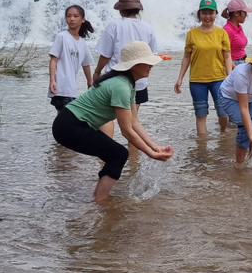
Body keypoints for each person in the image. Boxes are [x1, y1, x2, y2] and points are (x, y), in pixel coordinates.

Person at [52, 41, 173, 203]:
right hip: (69, 125)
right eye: (147, 62)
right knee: (119, 154)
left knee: (114, 154)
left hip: (70, 123)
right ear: (133, 65)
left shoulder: (128, 84)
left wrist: (155, 146)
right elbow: (127, 131)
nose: (151, 66)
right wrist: (150, 154)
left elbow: (134, 122)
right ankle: (100, 200)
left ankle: (100, 198)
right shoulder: (120, 86)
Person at [93, 0, 159, 137]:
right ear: (138, 9)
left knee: (106, 117)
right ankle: (134, 159)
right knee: (132, 121)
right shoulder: (148, 28)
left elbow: (105, 55)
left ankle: (105, 155)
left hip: (114, 80)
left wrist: (97, 72)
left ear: (121, 9)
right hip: (138, 82)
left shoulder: (114, 26)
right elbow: (152, 56)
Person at [174, 0, 233, 135]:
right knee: (200, 114)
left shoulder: (221, 33)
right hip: (197, 81)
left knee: (223, 112)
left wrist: (230, 76)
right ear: (199, 14)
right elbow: (187, 57)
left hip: (218, 79)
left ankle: (223, 134)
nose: (207, 16)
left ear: (216, 14)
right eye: (204, 13)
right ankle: (202, 148)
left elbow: (227, 56)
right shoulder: (191, 34)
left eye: (211, 13)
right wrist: (180, 78)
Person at [48, 5, 95, 111]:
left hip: (71, 88)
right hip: (60, 86)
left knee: (65, 119)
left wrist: (90, 82)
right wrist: (52, 80)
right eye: (68, 16)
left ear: (82, 19)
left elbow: (86, 64)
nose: (71, 19)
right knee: (66, 117)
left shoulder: (82, 42)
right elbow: (53, 59)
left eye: (75, 16)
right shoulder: (62, 37)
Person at [221, 0, 252, 66]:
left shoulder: (238, 27)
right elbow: (224, 54)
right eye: (244, 13)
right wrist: (235, 69)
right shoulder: (227, 30)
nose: (246, 16)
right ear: (236, 13)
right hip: (234, 64)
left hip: (242, 61)